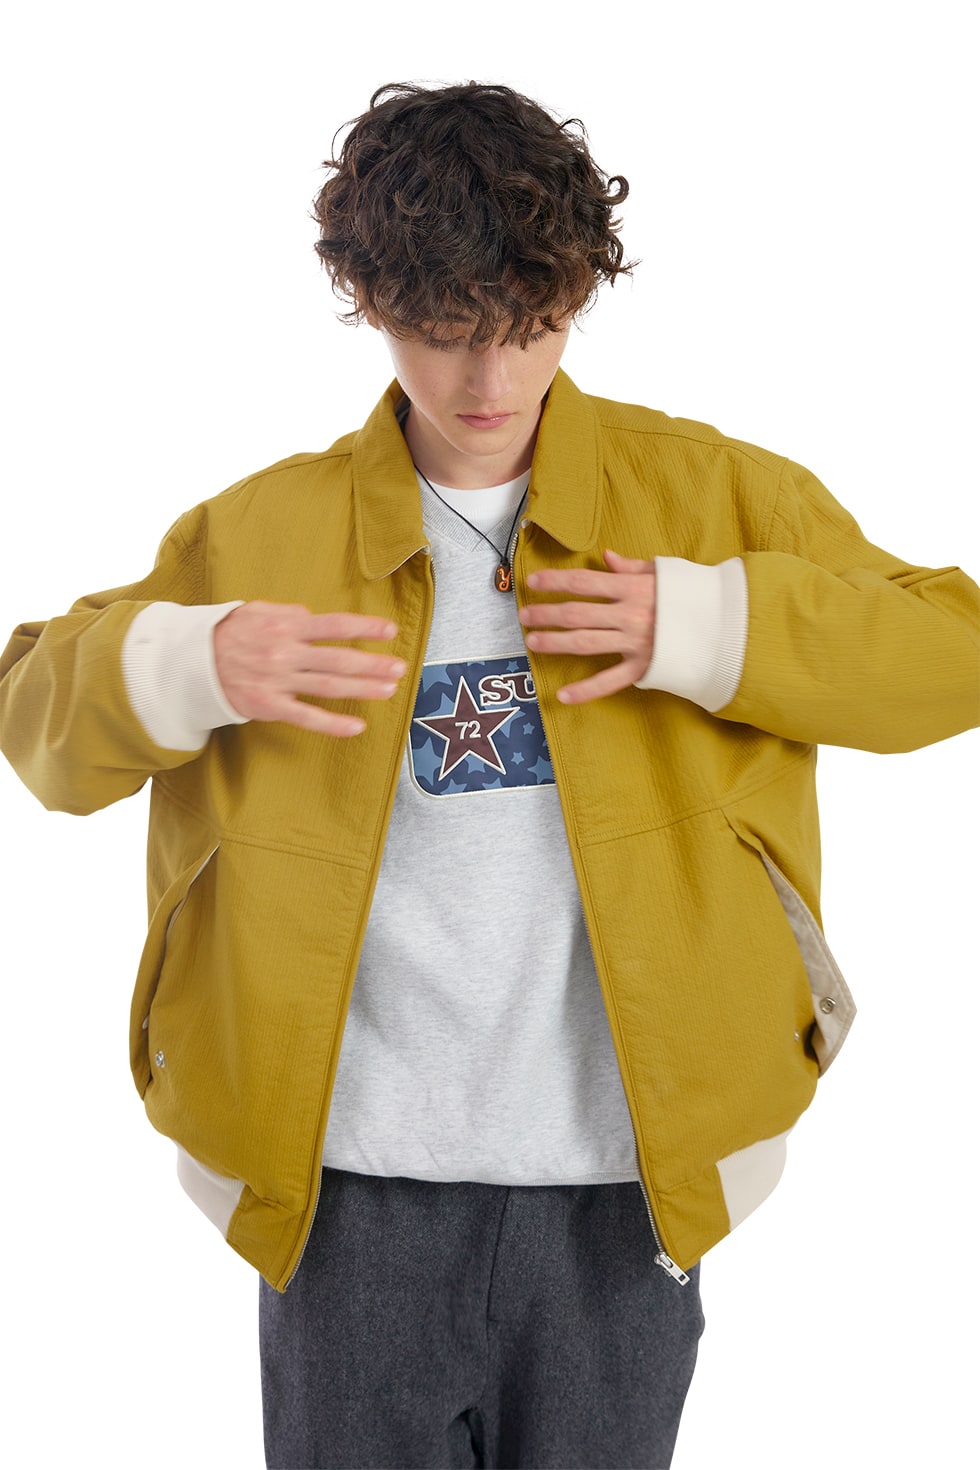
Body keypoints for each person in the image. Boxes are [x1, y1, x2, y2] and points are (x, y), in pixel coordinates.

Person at [0, 79, 976, 1470]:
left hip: (628, 1185)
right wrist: (192, 660)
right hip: (341, 1192)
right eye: (442, 334)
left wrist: (714, 625)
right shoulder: (258, 533)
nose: (488, 386)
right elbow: (35, 728)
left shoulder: (712, 498)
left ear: (579, 294)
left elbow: (954, 655)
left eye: (530, 328)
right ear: (366, 299)